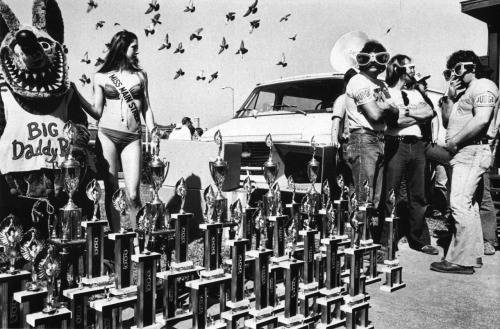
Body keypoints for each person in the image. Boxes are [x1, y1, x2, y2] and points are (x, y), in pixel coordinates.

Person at [76, 30, 160, 234]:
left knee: (133, 194)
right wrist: (76, 94)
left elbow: (146, 107)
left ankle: (138, 237)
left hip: (132, 138)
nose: (137, 50)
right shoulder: (101, 76)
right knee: (112, 189)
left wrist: (153, 131)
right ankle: (116, 238)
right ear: (122, 48)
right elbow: (96, 111)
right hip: (107, 136)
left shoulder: (141, 75)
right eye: (133, 46)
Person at [430, 50, 498, 274]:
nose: (455, 75)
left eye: (459, 69)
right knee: (469, 205)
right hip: (464, 152)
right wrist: (449, 97)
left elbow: (482, 120)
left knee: (459, 204)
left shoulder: (484, 86)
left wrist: (455, 141)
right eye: (451, 71)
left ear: (472, 67)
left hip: (472, 150)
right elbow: (449, 120)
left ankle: (462, 260)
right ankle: (473, 255)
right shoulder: (464, 92)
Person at [381, 54, 438, 255]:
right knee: (391, 194)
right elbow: (393, 122)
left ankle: (420, 240)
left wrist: (406, 113)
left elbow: (429, 112)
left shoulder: (415, 93)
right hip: (396, 145)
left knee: (419, 195)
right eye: (410, 67)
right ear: (398, 69)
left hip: (418, 145)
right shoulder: (385, 92)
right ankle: (387, 241)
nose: (413, 71)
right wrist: (413, 115)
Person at [344, 40, 399, 242]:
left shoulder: (381, 84)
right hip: (363, 139)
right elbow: (375, 115)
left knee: (373, 199)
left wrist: (389, 109)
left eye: (380, 58)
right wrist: (388, 108)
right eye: (368, 58)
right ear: (361, 60)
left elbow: (395, 115)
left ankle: (364, 242)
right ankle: (357, 246)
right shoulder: (358, 81)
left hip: (379, 140)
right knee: (363, 197)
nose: (373, 63)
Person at [331, 68, 358, 198]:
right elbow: (336, 120)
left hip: (359, 142)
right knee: (352, 179)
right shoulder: (343, 99)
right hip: (348, 143)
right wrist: (334, 139)